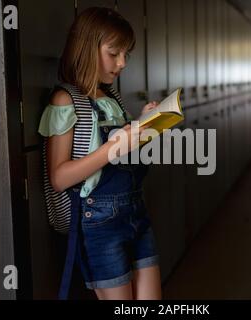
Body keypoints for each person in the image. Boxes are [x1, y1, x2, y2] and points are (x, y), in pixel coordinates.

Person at [38, 7, 161, 300]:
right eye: (113, 53)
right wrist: (113, 147)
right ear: (86, 47)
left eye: (125, 54)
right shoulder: (65, 100)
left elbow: (123, 157)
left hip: (135, 212)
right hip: (99, 221)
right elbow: (59, 177)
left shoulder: (113, 99)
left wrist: (143, 127)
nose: (122, 63)